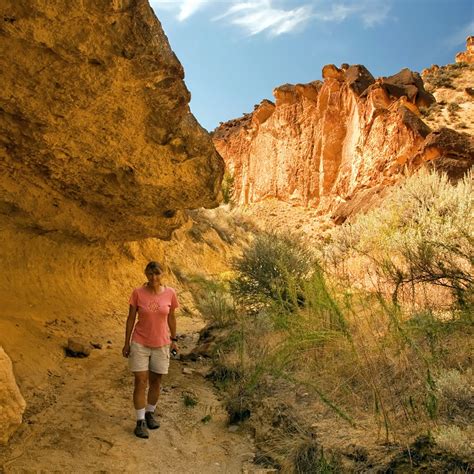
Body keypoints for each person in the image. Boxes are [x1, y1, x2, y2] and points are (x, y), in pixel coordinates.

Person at [122, 261, 179, 439]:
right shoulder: (137, 293)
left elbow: (171, 318)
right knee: (140, 381)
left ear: (163, 274)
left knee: (156, 381)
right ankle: (139, 422)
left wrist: (174, 340)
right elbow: (131, 319)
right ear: (146, 274)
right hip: (140, 342)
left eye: (157, 274)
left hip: (161, 344)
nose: (153, 277)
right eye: (150, 274)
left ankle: (149, 413)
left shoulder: (170, 293)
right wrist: (127, 342)